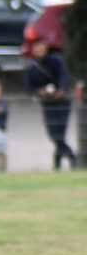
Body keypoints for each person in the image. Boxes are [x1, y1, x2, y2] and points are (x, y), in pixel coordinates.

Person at [25, 40, 77, 170]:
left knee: (60, 132)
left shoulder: (56, 60)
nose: (40, 50)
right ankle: (71, 156)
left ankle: (58, 163)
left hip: (62, 101)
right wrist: (40, 91)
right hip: (48, 103)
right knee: (53, 133)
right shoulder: (32, 68)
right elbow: (30, 88)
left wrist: (62, 89)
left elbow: (63, 76)